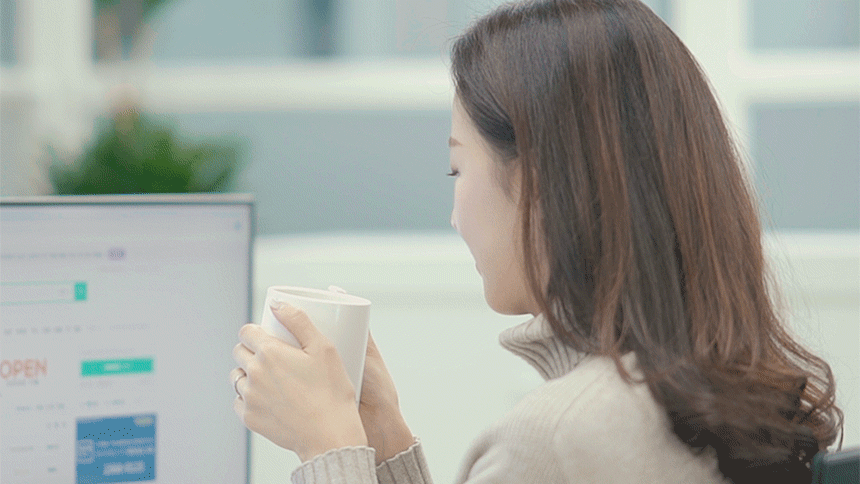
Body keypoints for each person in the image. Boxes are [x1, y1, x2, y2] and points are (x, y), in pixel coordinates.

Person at [230, 1, 844, 482]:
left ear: (539, 182)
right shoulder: (727, 389)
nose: (454, 216)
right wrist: (383, 439)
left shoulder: (554, 441)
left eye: (456, 169)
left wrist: (326, 449)